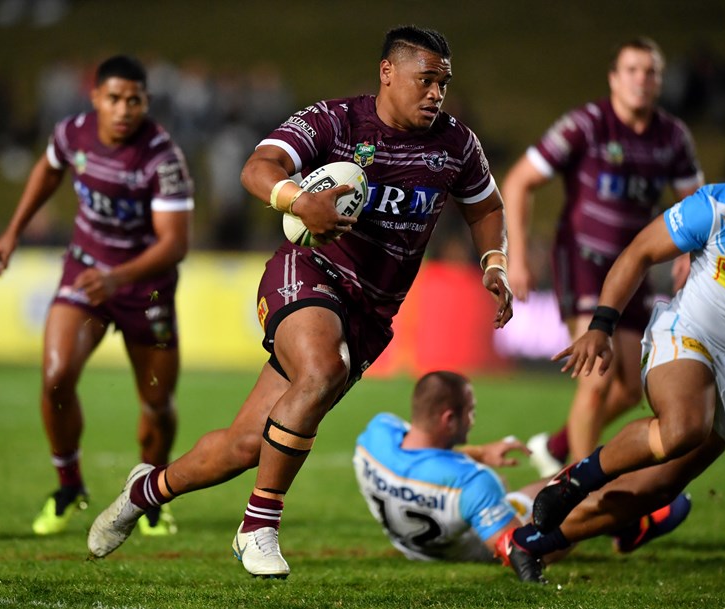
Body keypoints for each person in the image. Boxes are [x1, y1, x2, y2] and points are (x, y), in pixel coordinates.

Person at [86, 25, 513, 579]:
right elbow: (257, 167)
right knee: (321, 369)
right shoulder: (337, 121)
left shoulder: (456, 144)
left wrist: (495, 263)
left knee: (245, 446)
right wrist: (297, 200)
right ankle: (258, 527)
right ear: (388, 72)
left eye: (443, 84)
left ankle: (144, 491)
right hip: (309, 271)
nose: (436, 94)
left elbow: (486, 207)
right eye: (426, 80)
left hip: (371, 311)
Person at [499, 113, 725, 584]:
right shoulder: (719, 206)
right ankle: (574, 480)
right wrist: (602, 325)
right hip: (688, 336)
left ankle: (532, 543)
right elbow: (639, 252)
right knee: (684, 426)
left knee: (656, 490)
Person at [0, 55, 194, 537]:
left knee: (157, 402)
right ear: (96, 97)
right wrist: (13, 231)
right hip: (85, 272)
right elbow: (48, 170)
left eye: (134, 100)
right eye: (114, 99)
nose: (124, 109)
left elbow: (175, 244)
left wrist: (118, 278)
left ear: (146, 102)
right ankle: (68, 487)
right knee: (56, 376)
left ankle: (150, 499)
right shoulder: (72, 134)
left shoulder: (162, 157)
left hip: (145, 288)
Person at [500, 37, 705, 477]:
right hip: (584, 260)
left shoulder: (672, 137)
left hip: (634, 268)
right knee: (597, 376)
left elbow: (697, 203)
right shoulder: (587, 125)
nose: (641, 79)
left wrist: (692, 251)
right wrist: (515, 255)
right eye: (631, 70)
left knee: (631, 389)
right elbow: (518, 181)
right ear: (613, 78)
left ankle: (556, 447)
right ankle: (575, 491)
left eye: (650, 72)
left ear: (660, 82)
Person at [355, 371, 690, 570]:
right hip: (474, 544)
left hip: (415, 545)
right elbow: (518, 549)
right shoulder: (473, 483)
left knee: (551, 486)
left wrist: (479, 452)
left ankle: (622, 521)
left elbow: (423, 456)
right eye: (470, 411)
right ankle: (630, 522)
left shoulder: (376, 435)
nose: (473, 419)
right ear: (449, 419)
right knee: (570, 498)